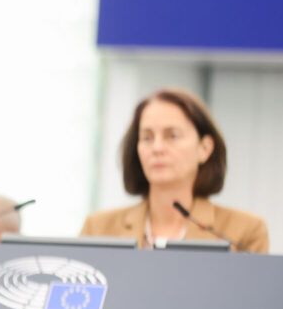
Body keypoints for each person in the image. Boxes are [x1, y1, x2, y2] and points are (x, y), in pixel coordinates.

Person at [80, 88, 268, 252]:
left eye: (172, 136)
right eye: (147, 137)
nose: (157, 148)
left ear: (205, 148)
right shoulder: (98, 229)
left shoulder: (244, 231)